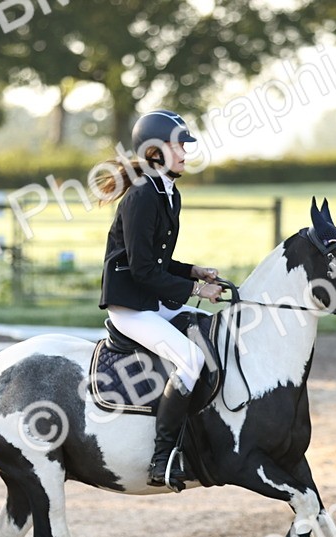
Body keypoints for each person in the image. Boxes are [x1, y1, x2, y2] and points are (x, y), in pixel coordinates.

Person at [94, 110, 223, 491]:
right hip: (130, 305)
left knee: (211, 333)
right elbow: (142, 269)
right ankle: (163, 456)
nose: (185, 151)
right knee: (192, 358)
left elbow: (160, 262)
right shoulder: (141, 196)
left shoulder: (168, 192)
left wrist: (192, 271)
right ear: (154, 151)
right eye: (178, 144)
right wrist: (197, 291)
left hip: (152, 298)